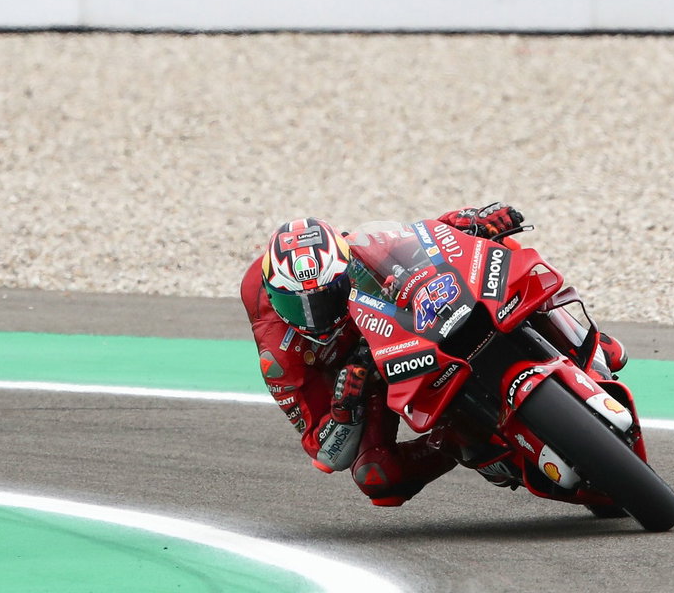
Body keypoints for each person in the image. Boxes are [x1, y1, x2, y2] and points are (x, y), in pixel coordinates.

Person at [240, 204, 627, 507]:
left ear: (344, 268)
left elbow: (425, 240)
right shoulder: (278, 350)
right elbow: (326, 451)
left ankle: (582, 340)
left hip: (402, 327)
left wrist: (468, 222)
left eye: (325, 299)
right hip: (364, 375)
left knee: (500, 247)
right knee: (377, 476)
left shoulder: (357, 251)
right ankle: (461, 439)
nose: (316, 319)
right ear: (275, 298)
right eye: (299, 307)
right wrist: (345, 406)